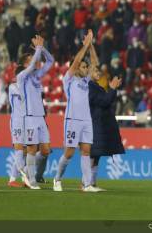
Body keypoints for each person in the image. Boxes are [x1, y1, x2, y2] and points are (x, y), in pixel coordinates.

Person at [53, 30, 100, 192]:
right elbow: (77, 60)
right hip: (72, 119)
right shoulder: (69, 79)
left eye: (86, 67)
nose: (86, 68)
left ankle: (87, 184)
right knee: (70, 152)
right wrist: (85, 46)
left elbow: (95, 62)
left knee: (86, 151)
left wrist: (91, 45)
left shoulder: (86, 81)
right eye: (83, 66)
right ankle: (57, 179)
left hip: (86, 120)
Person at [16, 35, 54, 189]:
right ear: (25, 63)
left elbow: (50, 61)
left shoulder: (37, 76)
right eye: (31, 59)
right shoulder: (21, 77)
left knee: (45, 150)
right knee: (32, 148)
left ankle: (26, 170)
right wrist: (37, 48)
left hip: (41, 117)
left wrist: (42, 48)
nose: (35, 61)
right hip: (29, 117)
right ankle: (31, 179)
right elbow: (32, 66)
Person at [89, 66, 125, 190]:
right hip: (95, 123)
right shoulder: (90, 87)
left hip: (101, 123)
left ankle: (92, 183)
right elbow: (104, 102)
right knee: (93, 154)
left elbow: (107, 101)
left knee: (96, 155)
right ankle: (86, 183)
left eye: (98, 71)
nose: (98, 72)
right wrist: (112, 89)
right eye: (95, 70)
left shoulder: (97, 87)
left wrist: (111, 89)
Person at [7, 69, 27, 188]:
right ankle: (24, 178)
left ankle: (12, 179)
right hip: (16, 121)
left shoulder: (27, 87)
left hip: (26, 122)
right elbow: (23, 95)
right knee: (19, 149)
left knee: (24, 151)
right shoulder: (12, 86)